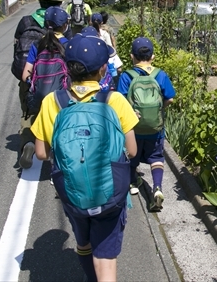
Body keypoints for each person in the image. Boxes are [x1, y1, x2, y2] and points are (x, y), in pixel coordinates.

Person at [31, 34, 138, 282]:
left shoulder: (52, 102)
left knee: (84, 243)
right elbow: (132, 152)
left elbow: (41, 152)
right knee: (106, 256)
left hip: (73, 193)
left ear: (67, 66)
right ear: (103, 69)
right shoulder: (115, 101)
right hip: (110, 193)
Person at [13, 0, 70, 167]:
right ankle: (55, 155)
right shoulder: (62, 32)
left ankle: (29, 142)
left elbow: (18, 49)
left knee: (29, 115)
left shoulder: (26, 22)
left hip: (33, 80)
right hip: (58, 86)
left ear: (41, 1)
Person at [117, 37, 175, 211]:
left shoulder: (127, 76)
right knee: (156, 157)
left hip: (133, 127)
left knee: (131, 156)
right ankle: (157, 188)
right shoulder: (160, 74)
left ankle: (133, 183)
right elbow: (170, 98)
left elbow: (120, 100)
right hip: (155, 128)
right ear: (153, 57)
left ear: (132, 56)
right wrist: (159, 109)